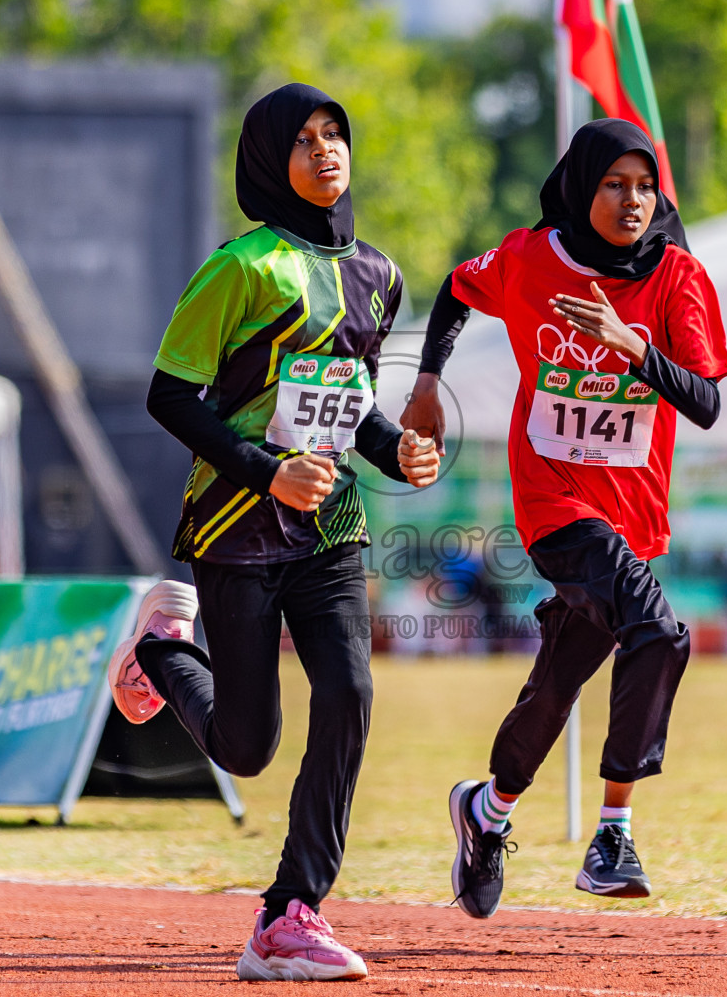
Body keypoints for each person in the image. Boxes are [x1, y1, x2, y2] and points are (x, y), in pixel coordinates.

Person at [105, 83, 439, 983]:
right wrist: (267, 471)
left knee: (351, 693)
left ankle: (292, 913)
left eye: (336, 133)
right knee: (247, 746)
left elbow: (351, 404)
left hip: (330, 524)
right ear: (267, 162)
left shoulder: (379, 273)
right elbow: (169, 395)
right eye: (304, 140)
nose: (326, 150)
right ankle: (164, 650)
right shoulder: (240, 268)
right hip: (237, 521)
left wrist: (394, 450)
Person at [401, 119, 727, 917]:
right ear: (582, 189)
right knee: (661, 631)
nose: (632, 200)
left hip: (631, 513)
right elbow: (455, 287)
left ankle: (487, 810)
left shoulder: (677, 278)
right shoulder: (529, 258)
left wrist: (632, 349)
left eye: (645, 186)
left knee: (556, 689)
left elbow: (709, 403)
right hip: (553, 503)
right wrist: (425, 381)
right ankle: (614, 832)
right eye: (614, 184)